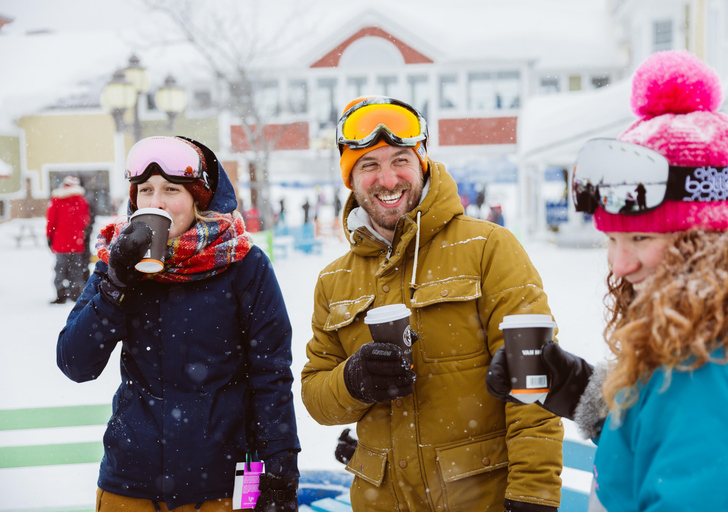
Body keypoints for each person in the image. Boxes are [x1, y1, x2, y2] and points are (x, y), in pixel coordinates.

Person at [486, 51, 728, 510]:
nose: (619, 264)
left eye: (640, 237)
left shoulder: (703, 374)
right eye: (611, 240)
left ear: (707, 238)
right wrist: (579, 388)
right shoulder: (726, 326)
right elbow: (665, 437)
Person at [301, 96, 563, 511]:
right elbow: (315, 394)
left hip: (478, 499)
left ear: (422, 163)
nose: (388, 180)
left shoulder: (487, 247)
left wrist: (533, 494)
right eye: (369, 165)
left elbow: (531, 374)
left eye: (400, 160)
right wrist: (352, 381)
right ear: (350, 179)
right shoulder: (334, 280)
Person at [56, 136, 301, 512]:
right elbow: (76, 363)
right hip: (130, 484)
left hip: (221, 488)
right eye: (145, 190)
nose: (156, 202)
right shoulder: (116, 263)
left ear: (198, 198)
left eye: (172, 189)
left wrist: (281, 475)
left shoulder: (244, 264)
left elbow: (271, 375)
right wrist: (117, 286)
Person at [46, 174, 90, 304]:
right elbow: (85, 221)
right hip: (77, 242)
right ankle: (76, 293)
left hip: (60, 242)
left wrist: (49, 236)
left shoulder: (56, 200)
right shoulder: (82, 201)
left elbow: (51, 221)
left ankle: (61, 293)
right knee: (76, 269)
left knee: (60, 268)